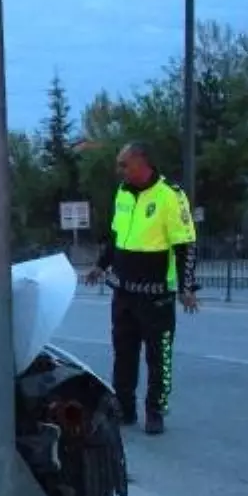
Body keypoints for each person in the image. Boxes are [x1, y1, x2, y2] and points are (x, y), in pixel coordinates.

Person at [85, 143, 199, 435]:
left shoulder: (170, 195)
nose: (119, 170)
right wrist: (100, 265)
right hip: (123, 291)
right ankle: (124, 408)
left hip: (156, 294)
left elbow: (185, 244)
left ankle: (155, 410)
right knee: (123, 353)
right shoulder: (123, 192)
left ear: (141, 163)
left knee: (158, 356)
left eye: (124, 165)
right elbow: (116, 236)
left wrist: (187, 287)